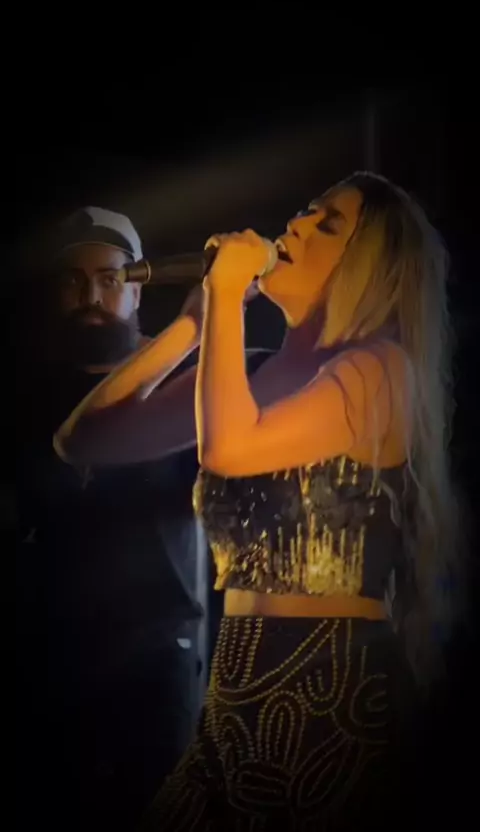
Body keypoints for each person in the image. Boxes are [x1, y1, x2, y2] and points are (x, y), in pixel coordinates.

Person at [55, 173, 460, 829]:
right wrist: (193, 327)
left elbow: (228, 450)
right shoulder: (251, 373)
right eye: (304, 211)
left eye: (326, 224)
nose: (296, 225)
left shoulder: (381, 370)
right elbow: (85, 440)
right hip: (232, 697)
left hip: (329, 693)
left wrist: (224, 296)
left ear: (368, 266)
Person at [16, 207, 205, 831]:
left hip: (158, 655)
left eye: (109, 278)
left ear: (137, 288)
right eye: (74, 281)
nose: (91, 297)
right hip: (51, 658)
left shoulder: (186, 380)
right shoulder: (23, 393)